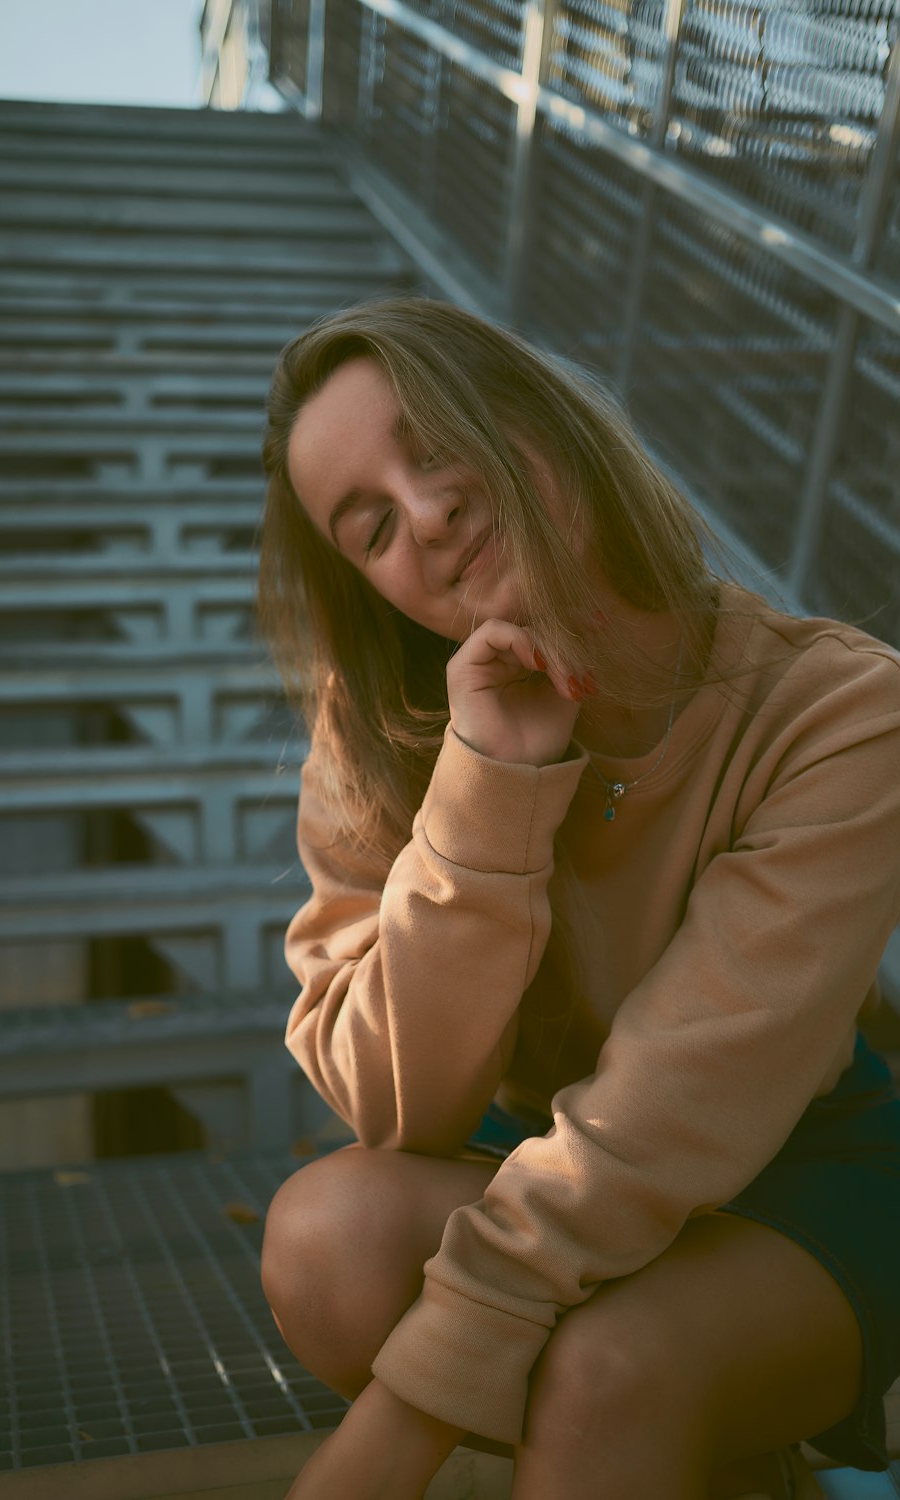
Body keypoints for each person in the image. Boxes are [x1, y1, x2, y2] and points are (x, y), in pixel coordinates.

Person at [256, 297, 900, 1500]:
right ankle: (715, 1443)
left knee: (614, 1370)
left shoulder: (841, 711)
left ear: (538, 416)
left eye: (437, 446)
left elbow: (688, 1097)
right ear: (372, 587)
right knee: (327, 1239)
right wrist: (492, 786)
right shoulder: (374, 732)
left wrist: (408, 1410)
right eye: (370, 525)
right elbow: (398, 1107)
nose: (430, 513)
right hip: (542, 1152)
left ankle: (693, 1404)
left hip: (801, 1166)